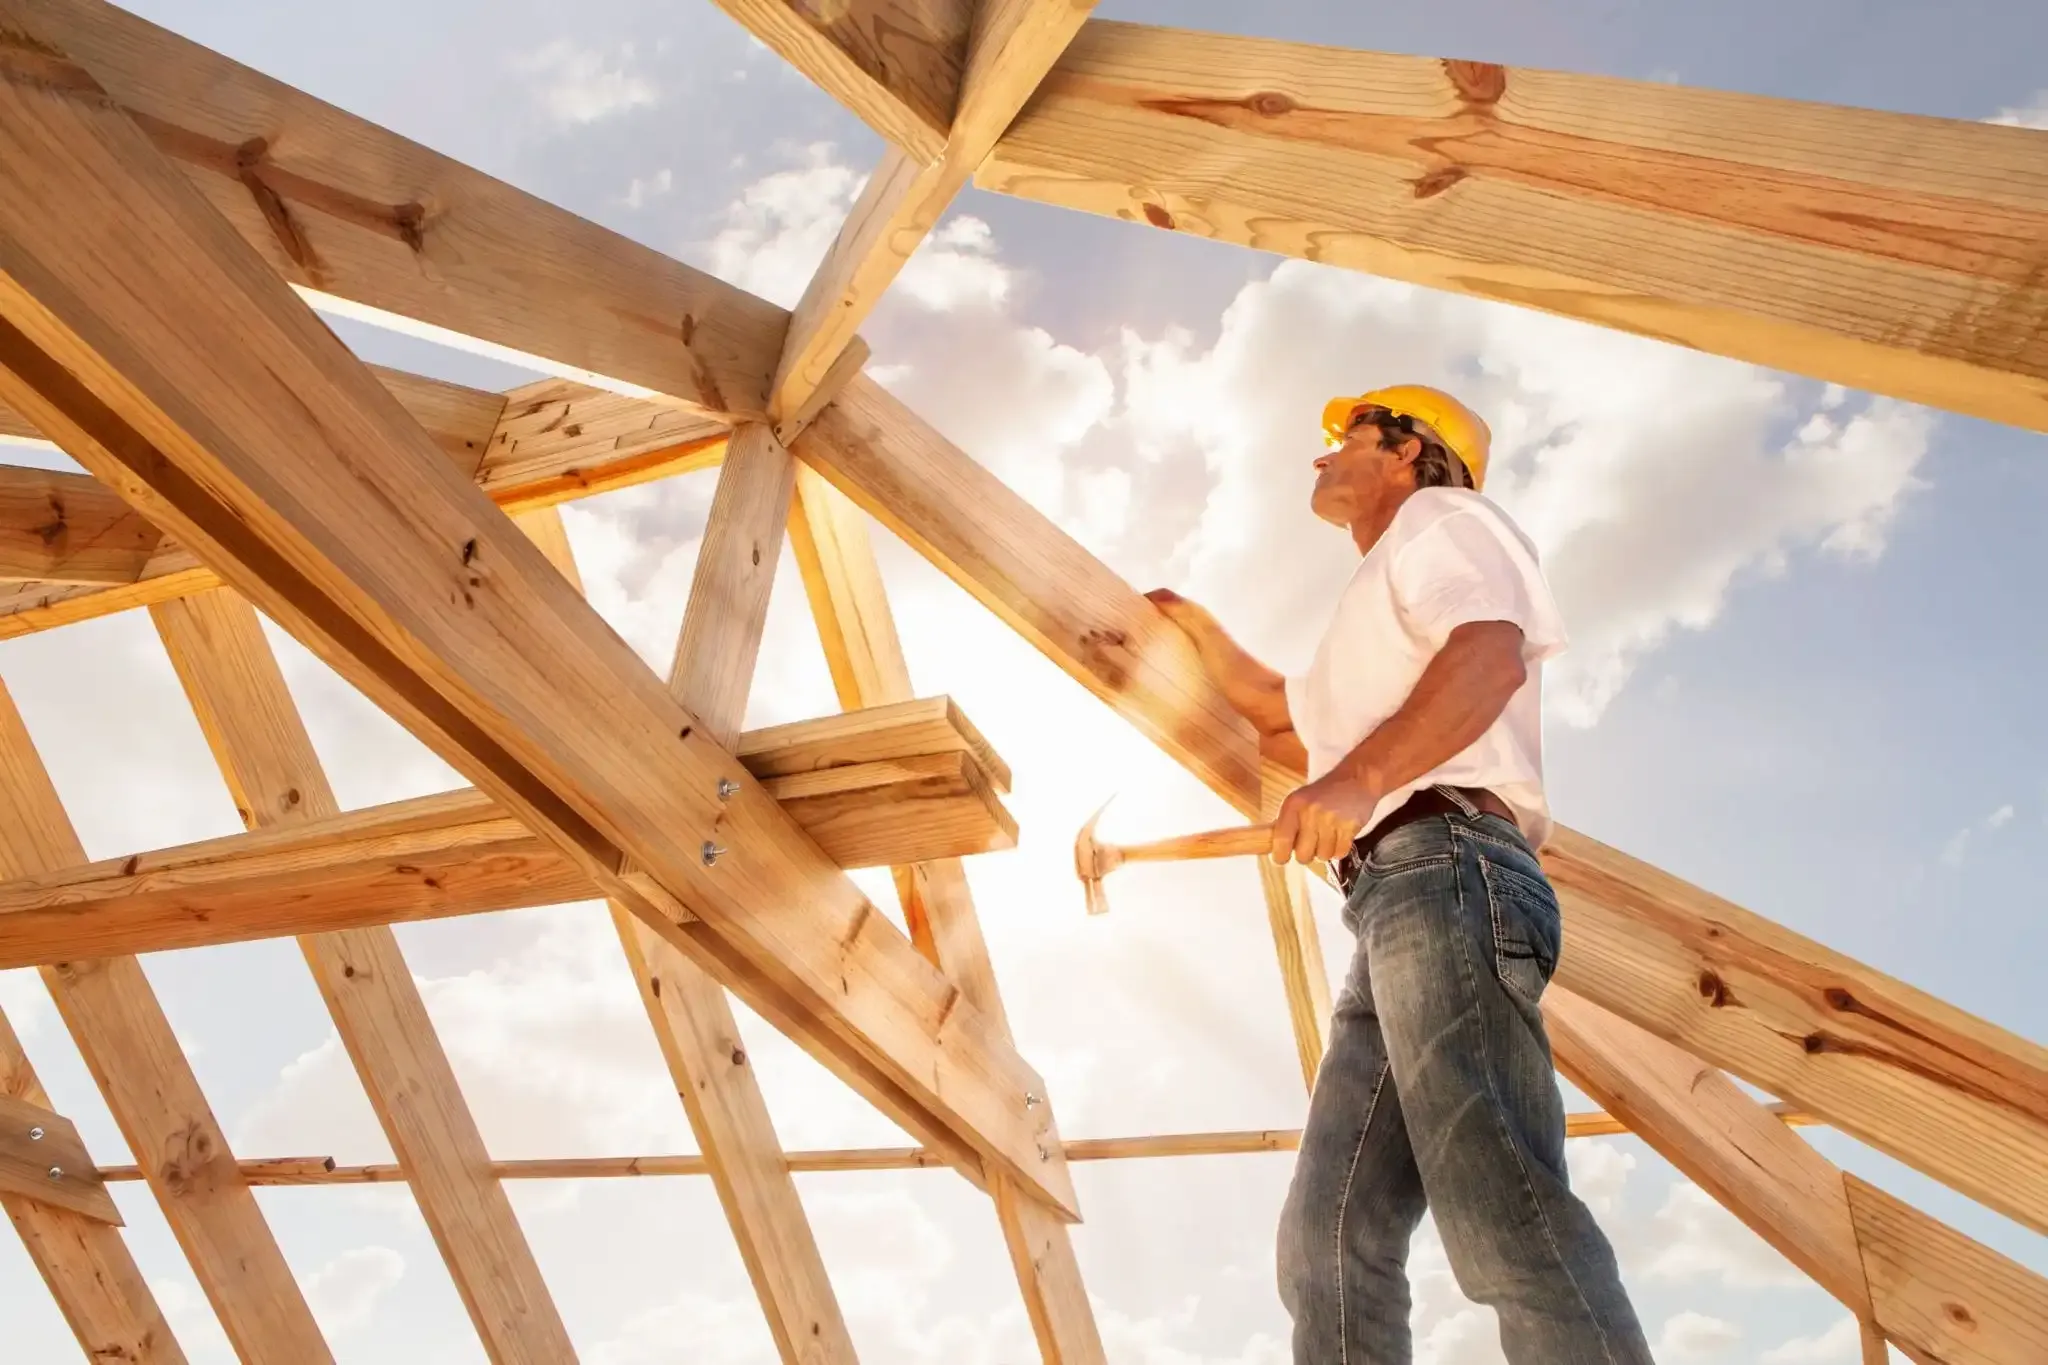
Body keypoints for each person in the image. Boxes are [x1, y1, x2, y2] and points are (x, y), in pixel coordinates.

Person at [1146, 386, 1651, 1364]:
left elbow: (1489, 656)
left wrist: (1357, 777)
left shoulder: (1443, 519)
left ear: (1406, 450)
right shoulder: (1375, 600)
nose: (1319, 457)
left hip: (1447, 868)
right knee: (1329, 1243)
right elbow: (1277, 714)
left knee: (1498, 1206)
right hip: (1392, 901)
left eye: (1343, 437)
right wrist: (1185, 624)